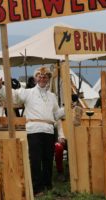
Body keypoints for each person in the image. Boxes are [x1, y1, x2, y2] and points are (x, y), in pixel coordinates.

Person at [12, 66, 64, 196]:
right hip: (34, 130)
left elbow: (57, 115)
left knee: (48, 159)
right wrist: (1, 87)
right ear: (36, 78)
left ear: (48, 79)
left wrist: (68, 108)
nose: (42, 78)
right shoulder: (28, 92)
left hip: (48, 131)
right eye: (40, 76)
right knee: (35, 159)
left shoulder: (52, 96)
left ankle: (47, 184)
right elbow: (13, 96)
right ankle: (37, 188)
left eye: (45, 76)